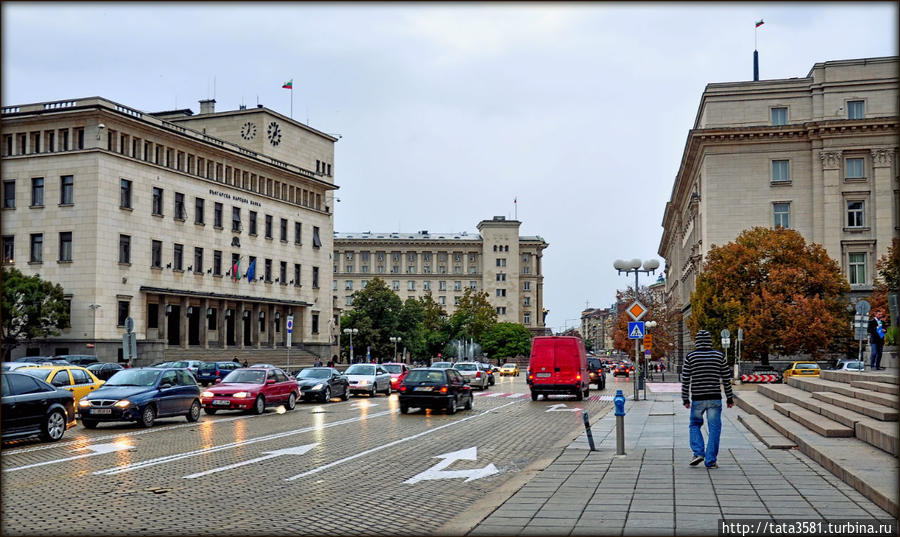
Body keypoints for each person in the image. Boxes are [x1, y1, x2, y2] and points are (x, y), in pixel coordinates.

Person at [682, 329, 734, 469]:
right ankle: (710, 460)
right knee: (714, 429)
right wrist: (729, 398)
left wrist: (685, 399)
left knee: (694, 424)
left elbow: (685, 379)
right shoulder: (719, 356)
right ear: (710, 341)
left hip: (698, 398)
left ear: (697, 342)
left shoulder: (691, 357)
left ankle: (698, 452)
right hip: (714, 398)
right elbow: (726, 379)